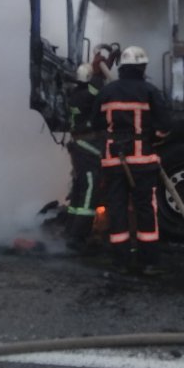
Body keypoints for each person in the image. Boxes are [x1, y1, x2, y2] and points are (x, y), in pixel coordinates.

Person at [91, 45, 171, 275]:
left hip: (113, 162)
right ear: (142, 67)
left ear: (122, 67)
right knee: (145, 209)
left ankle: (120, 262)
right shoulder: (150, 91)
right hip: (143, 162)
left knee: (117, 209)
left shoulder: (107, 92)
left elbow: (96, 124)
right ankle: (149, 262)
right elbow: (165, 126)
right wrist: (152, 139)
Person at [63, 63, 103, 252]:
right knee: (89, 191)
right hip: (87, 147)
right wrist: (100, 71)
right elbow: (99, 91)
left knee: (79, 189)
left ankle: (71, 230)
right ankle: (78, 237)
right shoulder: (87, 95)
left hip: (78, 146)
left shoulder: (75, 94)